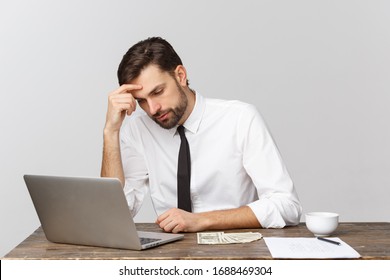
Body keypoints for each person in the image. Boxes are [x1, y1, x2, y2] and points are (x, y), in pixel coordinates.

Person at [101, 37, 302, 233]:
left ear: (180, 75)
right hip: (170, 257)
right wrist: (111, 131)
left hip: (236, 250)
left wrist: (200, 221)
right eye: (142, 101)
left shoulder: (240, 119)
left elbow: (287, 206)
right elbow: (113, 215)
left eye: (158, 92)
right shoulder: (139, 130)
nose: (153, 109)